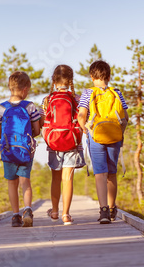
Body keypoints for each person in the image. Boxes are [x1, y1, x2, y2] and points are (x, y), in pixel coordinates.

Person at [76, 60, 128, 224]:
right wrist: (121, 133)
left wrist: (84, 128)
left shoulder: (87, 93)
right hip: (114, 135)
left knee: (100, 173)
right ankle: (113, 208)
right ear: (109, 76)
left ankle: (104, 210)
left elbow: (81, 115)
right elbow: (125, 118)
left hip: (95, 136)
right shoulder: (116, 92)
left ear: (92, 76)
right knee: (112, 173)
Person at [0, 71, 43, 227]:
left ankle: (15, 216)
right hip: (24, 150)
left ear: (10, 87)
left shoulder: (1, 108)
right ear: (25, 88)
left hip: (8, 151)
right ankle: (28, 210)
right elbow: (37, 131)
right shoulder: (29, 106)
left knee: (11, 183)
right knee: (25, 182)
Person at [42, 65, 86, 225]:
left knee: (56, 179)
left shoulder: (47, 99)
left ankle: (54, 211)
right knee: (68, 178)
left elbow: (43, 122)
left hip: (54, 143)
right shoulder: (77, 98)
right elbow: (82, 119)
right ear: (71, 80)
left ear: (53, 80)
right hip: (72, 142)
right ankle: (66, 214)